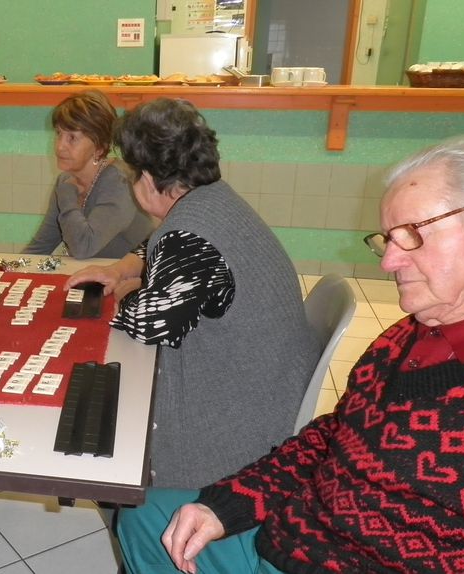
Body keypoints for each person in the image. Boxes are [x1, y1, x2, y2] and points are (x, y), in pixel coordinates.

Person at [117, 134, 464, 573]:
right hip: (294, 534)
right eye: (388, 240)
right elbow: (332, 436)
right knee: (143, 517)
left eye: (414, 236)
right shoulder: (408, 336)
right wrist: (231, 504)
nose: (389, 263)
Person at [66, 98, 319, 489]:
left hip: (238, 429)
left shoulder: (186, 234)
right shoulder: (212, 198)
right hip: (267, 390)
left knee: (105, 394)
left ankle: (130, 500)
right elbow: (157, 247)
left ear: (147, 181)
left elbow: (147, 324)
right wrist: (120, 269)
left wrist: (129, 289)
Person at [23, 90, 153, 259]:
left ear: (100, 146)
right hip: (96, 277)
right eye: (58, 133)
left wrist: (68, 197)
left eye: (72, 138)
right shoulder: (65, 180)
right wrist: (7, 273)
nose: (60, 146)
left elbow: (83, 248)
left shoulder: (119, 182)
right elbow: (41, 247)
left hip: (134, 281)